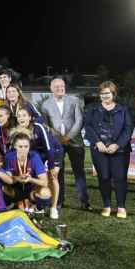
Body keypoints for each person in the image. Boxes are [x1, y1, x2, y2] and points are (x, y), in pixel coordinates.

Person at [40, 78, 91, 211]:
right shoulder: (45, 105)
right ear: (51, 88)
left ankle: (84, 201)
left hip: (75, 142)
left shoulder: (75, 101)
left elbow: (79, 121)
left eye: (62, 86)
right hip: (57, 144)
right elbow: (46, 125)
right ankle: (59, 201)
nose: (60, 88)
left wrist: (68, 136)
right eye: (56, 86)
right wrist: (58, 138)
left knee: (79, 172)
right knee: (58, 173)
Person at [84, 81, 132, 218]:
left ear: (113, 94)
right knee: (103, 177)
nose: (105, 95)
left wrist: (117, 145)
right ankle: (107, 206)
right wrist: (97, 142)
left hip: (120, 151)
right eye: (102, 93)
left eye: (108, 93)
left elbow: (128, 129)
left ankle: (121, 207)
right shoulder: (92, 109)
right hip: (99, 150)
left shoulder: (123, 110)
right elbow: (88, 127)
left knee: (120, 178)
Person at [15, 108, 63, 219]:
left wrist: (51, 167)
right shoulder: (19, 131)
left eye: (24, 115)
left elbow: (49, 147)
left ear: (30, 117)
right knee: (38, 178)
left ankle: (54, 208)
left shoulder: (38, 127)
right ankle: (37, 204)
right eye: (19, 116)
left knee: (52, 177)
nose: (21, 118)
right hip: (39, 156)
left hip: (53, 152)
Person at [3, 132, 51, 212]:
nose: (23, 150)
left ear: (29, 147)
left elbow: (45, 182)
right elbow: (8, 180)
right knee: (2, 188)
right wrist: (18, 178)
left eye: (26, 146)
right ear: (15, 146)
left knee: (46, 192)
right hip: (16, 190)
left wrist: (30, 179)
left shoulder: (34, 156)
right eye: (20, 146)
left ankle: (37, 208)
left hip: (31, 190)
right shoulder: (9, 157)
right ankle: (13, 204)